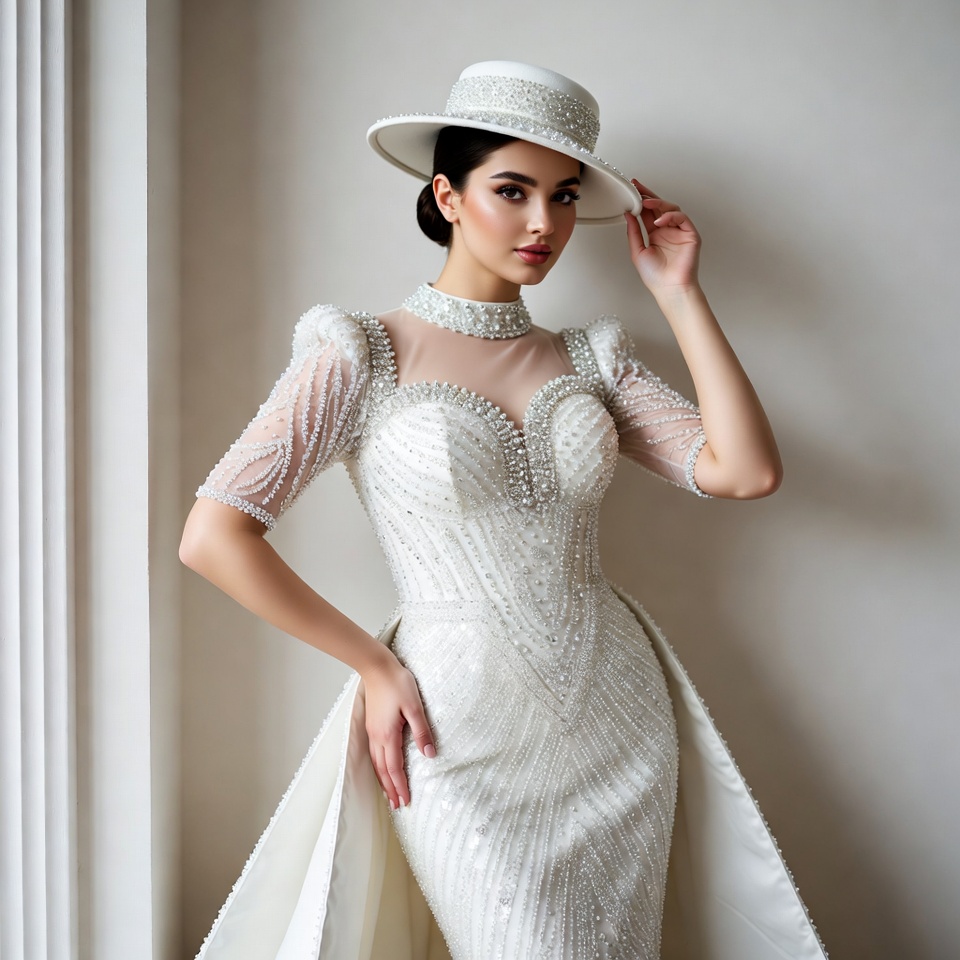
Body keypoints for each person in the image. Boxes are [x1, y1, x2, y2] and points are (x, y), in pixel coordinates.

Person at [181, 61, 827, 960]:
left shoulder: (592, 360)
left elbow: (745, 472)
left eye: (564, 197)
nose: (543, 223)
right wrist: (373, 664)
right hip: (451, 726)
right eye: (512, 190)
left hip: (615, 719)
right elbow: (214, 536)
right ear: (447, 195)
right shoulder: (360, 354)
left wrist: (679, 294)